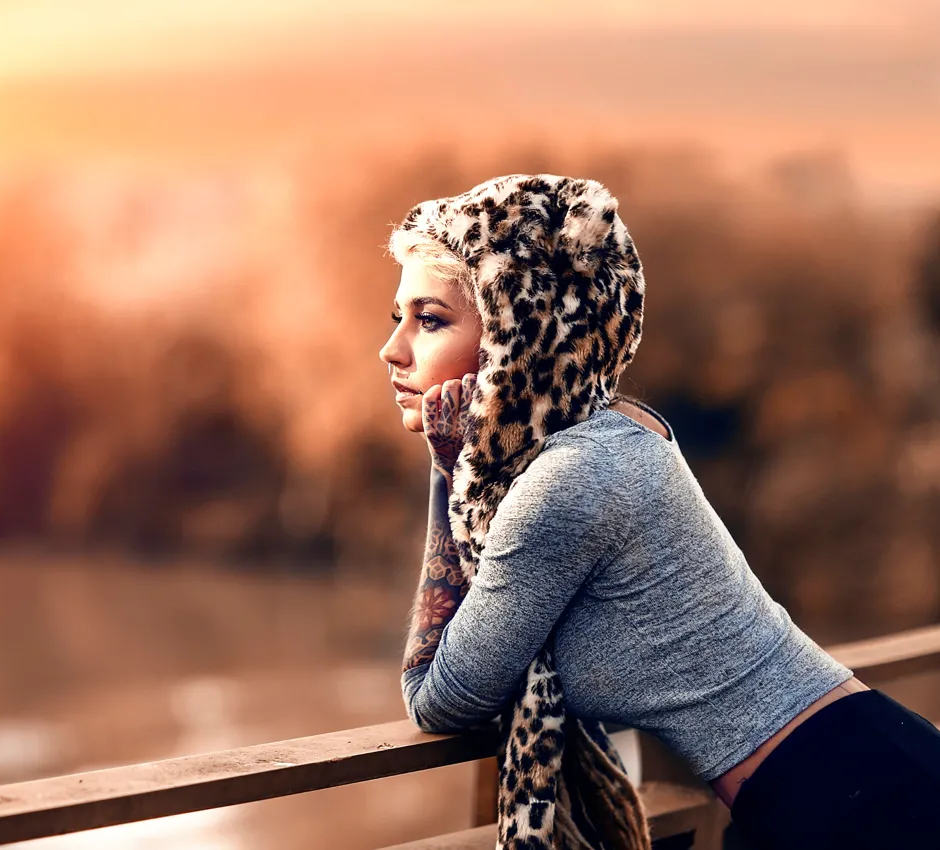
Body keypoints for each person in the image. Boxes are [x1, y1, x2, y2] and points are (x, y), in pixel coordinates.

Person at [378, 174, 940, 850]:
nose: (394, 350)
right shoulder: (621, 430)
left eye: (430, 320)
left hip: (848, 808)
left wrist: (450, 468)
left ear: (515, 338)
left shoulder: (569, 479)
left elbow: (437, 696)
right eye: (398, 318)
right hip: (857, 769)